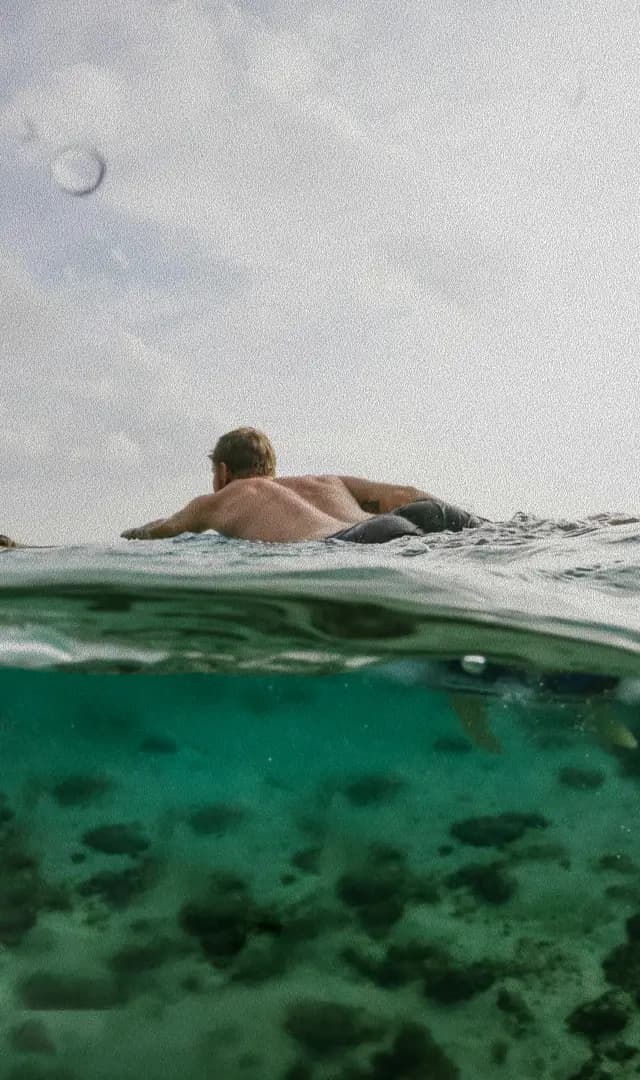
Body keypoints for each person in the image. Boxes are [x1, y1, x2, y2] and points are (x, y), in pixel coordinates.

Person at [121, 427, 484, 544]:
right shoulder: (324, 482)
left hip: (355, 544)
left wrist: (130, 533)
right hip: (413, 514)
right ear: (271, 469)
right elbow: (402, 496)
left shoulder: (226, 497)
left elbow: (164, 529)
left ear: (223, 472)